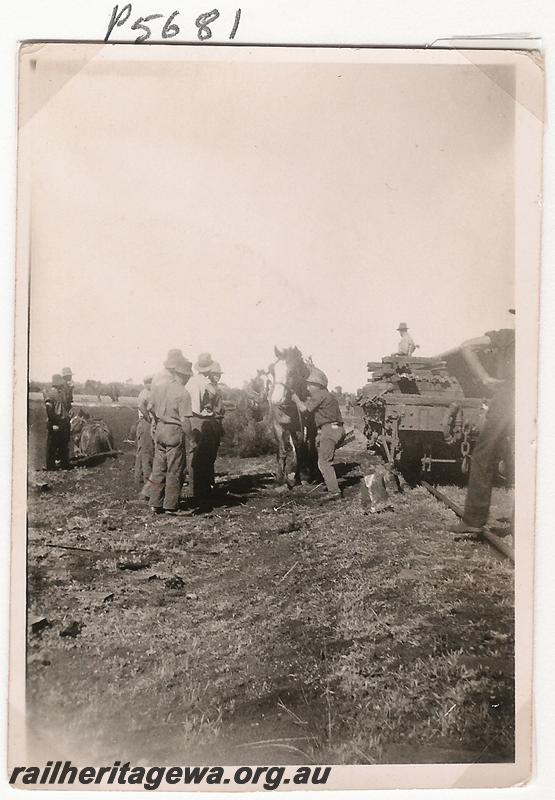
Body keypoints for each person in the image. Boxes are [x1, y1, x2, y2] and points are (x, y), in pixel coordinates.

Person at [450, 311, 515, 535]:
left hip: (508, 397)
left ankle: (474, 520)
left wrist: (485, 378)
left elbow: (466, 345)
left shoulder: (507, 336)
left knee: (484, 454)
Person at [291, 367, 345, 502]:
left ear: (317, 385)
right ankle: (331, 486)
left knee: (324, 462)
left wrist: (296, 399)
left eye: (310, 385)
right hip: (334, 428)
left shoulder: (320, 395)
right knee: (324, 460)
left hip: (330, 429)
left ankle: (334, 492)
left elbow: (304, 409)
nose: (308, 388)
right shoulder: (327, 395)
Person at [149, 355, 193, 515]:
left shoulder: (161, 388)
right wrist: (192, 439)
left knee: (159, 468)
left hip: (160, 429)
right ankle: (171, 505)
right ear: (185, 375)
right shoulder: (183, 393)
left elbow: (150, 407)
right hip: (174, 431)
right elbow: (185, 421)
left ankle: (155, 502)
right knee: (174, 469)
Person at [185, 353, 222, 504]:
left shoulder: (190, 381)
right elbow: (213, 395)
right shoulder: (206, 383)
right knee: (205, 457)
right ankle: (203, 490)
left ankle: (195, 489)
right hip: (203, 420)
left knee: (193, 456)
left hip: (190, 419)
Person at [44, 374, 71, 470]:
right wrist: (54, 424)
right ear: (57, 384)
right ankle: (51, 467)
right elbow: (49, 411)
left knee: (63, 445)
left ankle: (64, 465)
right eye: (60, 384)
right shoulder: (50, 394)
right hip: (55, 423)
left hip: (62, 422)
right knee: (52, 447)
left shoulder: (61, 393)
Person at [135, 375, 154, 500]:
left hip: (144, 423)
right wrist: (149, 418)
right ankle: (147, 481)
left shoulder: (146, 392)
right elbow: (141, 406)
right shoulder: (146, 393)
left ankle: (139, 477)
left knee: (142, 451)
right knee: (147, 452)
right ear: (147, 383)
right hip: (146, 423)